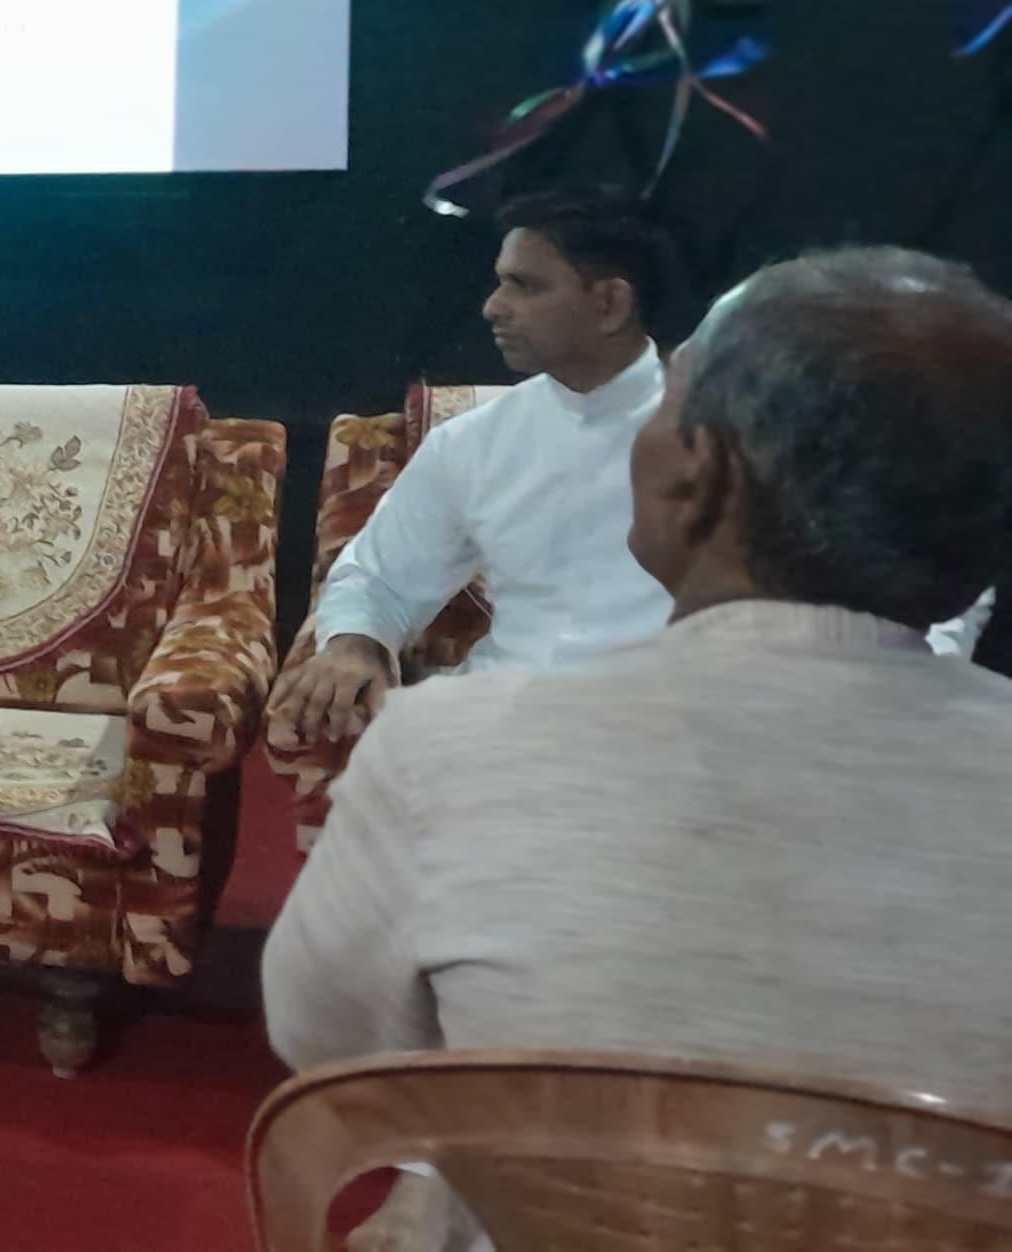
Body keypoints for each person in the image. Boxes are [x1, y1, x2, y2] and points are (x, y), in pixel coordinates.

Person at [265, 247, 1012, 1244]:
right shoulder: (477, 447)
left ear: (696, 478)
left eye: (669, 408)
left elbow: (332, 1041)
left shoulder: (444, 756)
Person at [267, 190, 680, 748]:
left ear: (609, 303)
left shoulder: (735, 432)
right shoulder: (476, 442)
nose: (492, 307)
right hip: (506, 731)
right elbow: (380, 577)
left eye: (524, 286)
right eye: (499, 282)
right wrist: (356, 645)